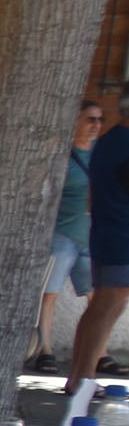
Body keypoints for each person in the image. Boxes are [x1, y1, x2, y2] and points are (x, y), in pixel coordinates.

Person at [32, 99, 105, 373]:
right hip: (62, 233)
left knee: (97, 298)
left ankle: (99, 352)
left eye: (100, 120)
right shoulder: (61, 155)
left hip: (92, 235)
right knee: (49, 294)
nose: (96, 125)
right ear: (75, 122)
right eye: (90, 119)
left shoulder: (101, 153)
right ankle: (45, 349)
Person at [69, 107, 129, 393]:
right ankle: (82, 378)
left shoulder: (110, 141)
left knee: (101, 306)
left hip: (109, 231)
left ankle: (80, 377)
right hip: (121, 234)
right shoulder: (122, 143)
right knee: (108, 304)